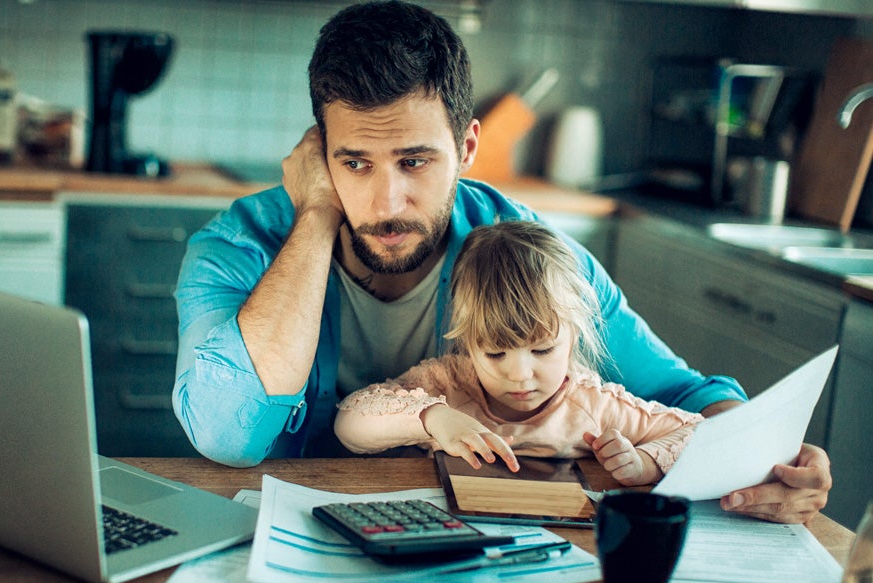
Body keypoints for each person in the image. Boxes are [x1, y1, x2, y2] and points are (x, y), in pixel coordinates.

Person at [173, 0, 831, 523]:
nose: (385, 202)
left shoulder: (521, 249)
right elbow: (226, 434)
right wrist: (315, 217)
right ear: (319, 154)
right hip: (284, 535)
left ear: (466, 147)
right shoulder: (241, 245)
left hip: (467, 540)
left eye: (415, 161)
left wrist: (764, 459)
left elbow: (683, 394)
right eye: (354, 163)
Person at [335, 220, 703, 487]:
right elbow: (349, 424)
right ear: (468, 341)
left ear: (573, 336)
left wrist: (644, 463)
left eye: (542, 349)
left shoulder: (594, 405)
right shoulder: (447, 384)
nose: (520, 375)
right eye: (495, 354)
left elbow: (699, 432)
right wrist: (433, 418)